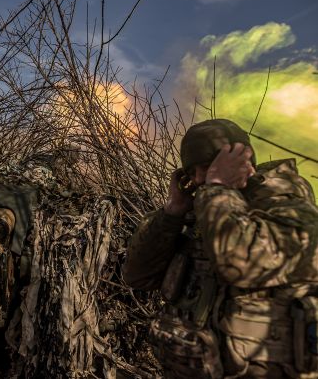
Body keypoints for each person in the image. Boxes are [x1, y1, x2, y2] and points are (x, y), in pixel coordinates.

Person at [122, 119, 318, 378]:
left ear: (243, 161)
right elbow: (137, 276)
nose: (198, 179)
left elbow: (239, 263)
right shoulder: (203, 212)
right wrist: (172, 213)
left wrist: (218, 189)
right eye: (191, 172)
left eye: (209, 167)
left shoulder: (291, 211)